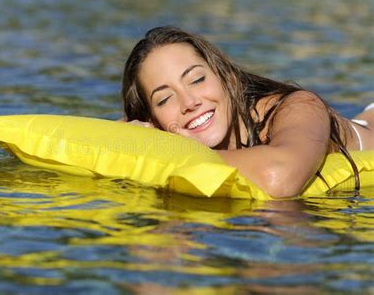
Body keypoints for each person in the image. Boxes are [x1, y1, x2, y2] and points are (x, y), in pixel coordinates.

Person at [121, 26, 373, 198]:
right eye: (165, 99)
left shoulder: (299, 107)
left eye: (197, 79)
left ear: (227, 77)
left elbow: (280, 177)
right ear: (153, 120)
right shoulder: (153, 129)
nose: (188, 102)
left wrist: (176, 151)